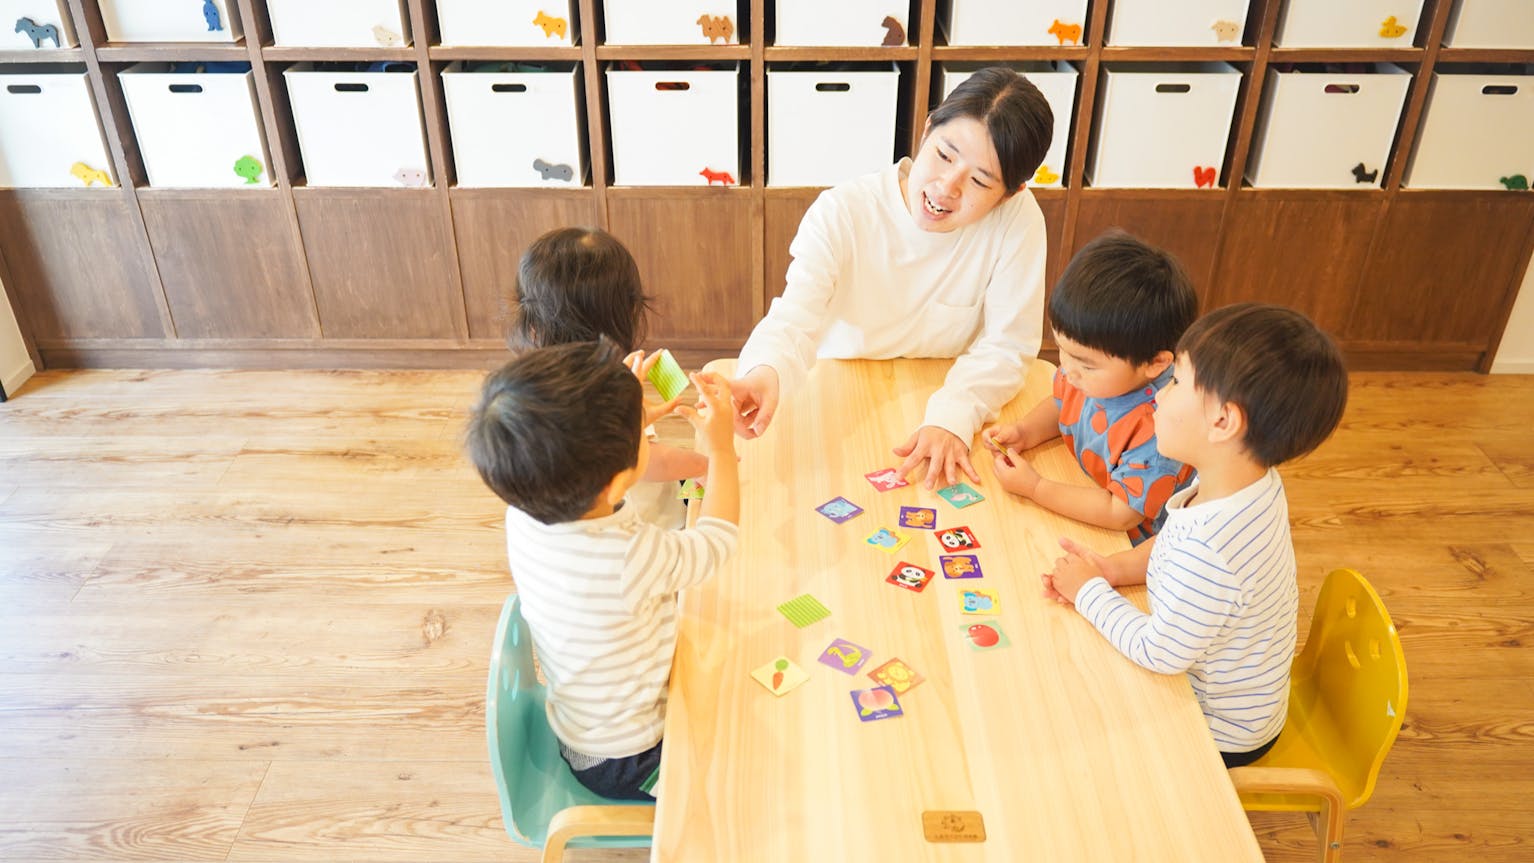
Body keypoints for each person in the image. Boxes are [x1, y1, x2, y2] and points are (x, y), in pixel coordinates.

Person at [1040, 303, 1348, 767]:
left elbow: (1158, 653)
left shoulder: (1208, 551)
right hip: (1241, 693)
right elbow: (1170, 547)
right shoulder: (1248, 484)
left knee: (1066, 717)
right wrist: (1112, 569)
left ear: (1223, 421)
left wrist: (1088, 591)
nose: (1160, 396)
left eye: (1177, 382)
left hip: (1217, 732)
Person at [729, 66, 1054, 488]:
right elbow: (795, 318)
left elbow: (1008, 346)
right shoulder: (843, 212)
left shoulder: (1018, 221)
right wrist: (765, 371)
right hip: (840, 391)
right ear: (926, 130)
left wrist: (954, 416)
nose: (946, 187)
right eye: (943, 154)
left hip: (946, 396)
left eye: (977, 180)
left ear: (1011, 193)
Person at [465, 339, 741, 799]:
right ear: (615, 480)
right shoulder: (628, 555)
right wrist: (722, 451)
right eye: (642, 436)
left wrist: (619, 419)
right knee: (748, 757)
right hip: (633, 759)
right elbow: (716, 543)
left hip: (584, 732)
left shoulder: (526, 512)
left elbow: (597, 465)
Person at [983, 230, 1199, 545]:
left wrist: (1036, 488)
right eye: (1061, 348)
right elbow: (1061, 403)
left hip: (1135, 547)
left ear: (1155, 363)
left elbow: (1121, 513)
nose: (1068, 369)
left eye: (1085, 363)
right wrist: (1025, 431)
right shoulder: (1090, 374)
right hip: (1087, 495)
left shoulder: (1163, 428)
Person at [509, 226, 707, 528]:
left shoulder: (535, 386)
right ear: (625, 314)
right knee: (713, 499)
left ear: (533, 326)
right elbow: (651, 463)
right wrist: (707, 461)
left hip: (585, 522)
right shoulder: (609, 390)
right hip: (645, 527)